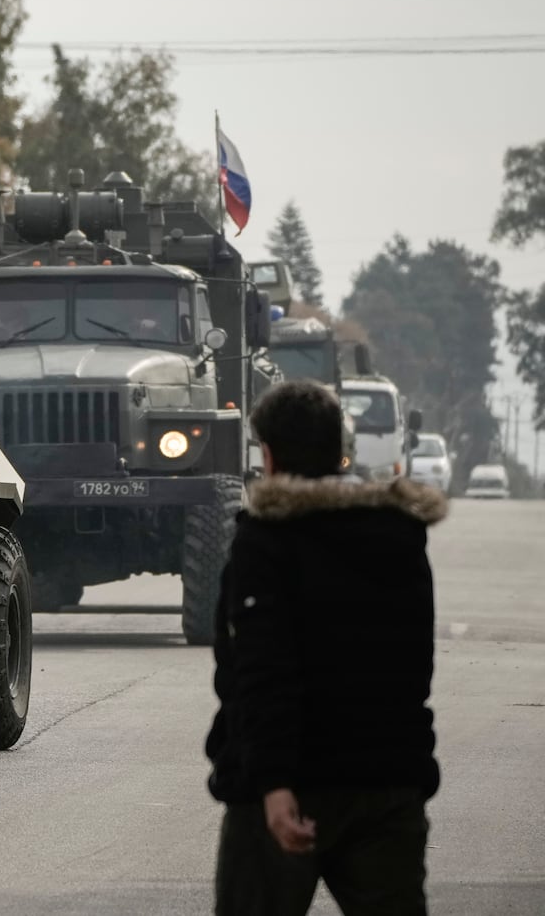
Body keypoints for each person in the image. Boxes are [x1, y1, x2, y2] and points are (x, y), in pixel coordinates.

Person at [206, 380, 443, 916]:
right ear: (342, 450)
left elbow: (261, 670)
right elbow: (414, 668)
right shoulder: (399, 537)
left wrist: (273, 783)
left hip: (287, 795)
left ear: (266, 455)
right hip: (388, 783)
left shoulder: (266, 540)